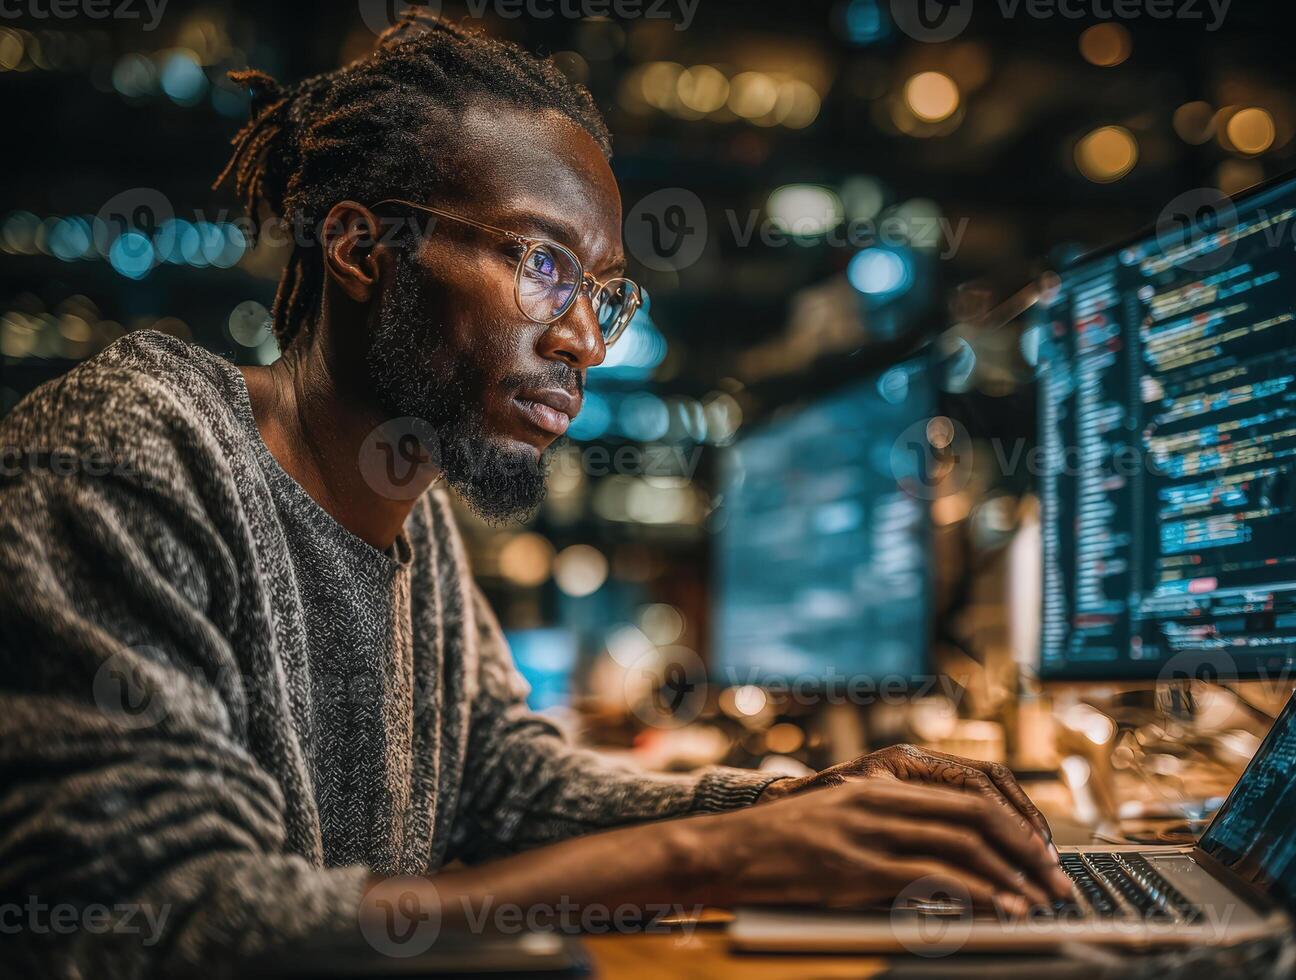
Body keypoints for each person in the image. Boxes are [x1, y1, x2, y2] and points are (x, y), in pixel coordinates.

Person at [0, 11, 1069, 976]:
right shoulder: (129, 455)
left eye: (601, 291)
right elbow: (163, 919)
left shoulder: (406, 513)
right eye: (542, 264)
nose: (583, 340)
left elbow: (508, 788)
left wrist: (797, 809)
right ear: (361, 246)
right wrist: (715, 850)